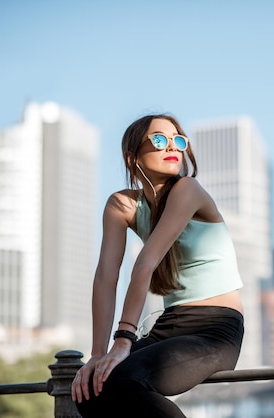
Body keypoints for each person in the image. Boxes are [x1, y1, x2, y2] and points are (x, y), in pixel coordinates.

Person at [71, 113, 244, 417]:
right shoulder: (122, 205)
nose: (172, 148)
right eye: (159, 140)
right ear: (132, 157)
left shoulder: (188, 189)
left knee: (123, 381)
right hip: (168, 327)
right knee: (89, 392)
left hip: (214, 330)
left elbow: (145, 263)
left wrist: (123, 339)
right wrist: (98, 354)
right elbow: (105, 276)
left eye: (178, 140)